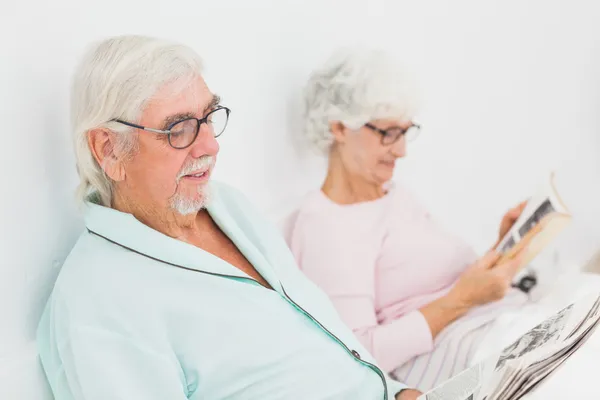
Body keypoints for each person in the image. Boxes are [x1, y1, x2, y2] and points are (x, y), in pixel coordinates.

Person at [36, 36, 421, 400]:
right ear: (109, 150)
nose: (210, 145)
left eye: (208, 117)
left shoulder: (226, 205)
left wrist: (398, 391)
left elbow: (322, 340)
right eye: (179, 129)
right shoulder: (98, 299)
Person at [287, 48, 535, 392]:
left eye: (405, 132)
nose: (401, 150)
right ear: (339, 127)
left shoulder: (396, 195)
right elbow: (358, 354)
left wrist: (503, 246)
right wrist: (462, 300)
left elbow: (442, 281)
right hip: (470, 350)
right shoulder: (326, 225)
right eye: (387, 133)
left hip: (504, 320)